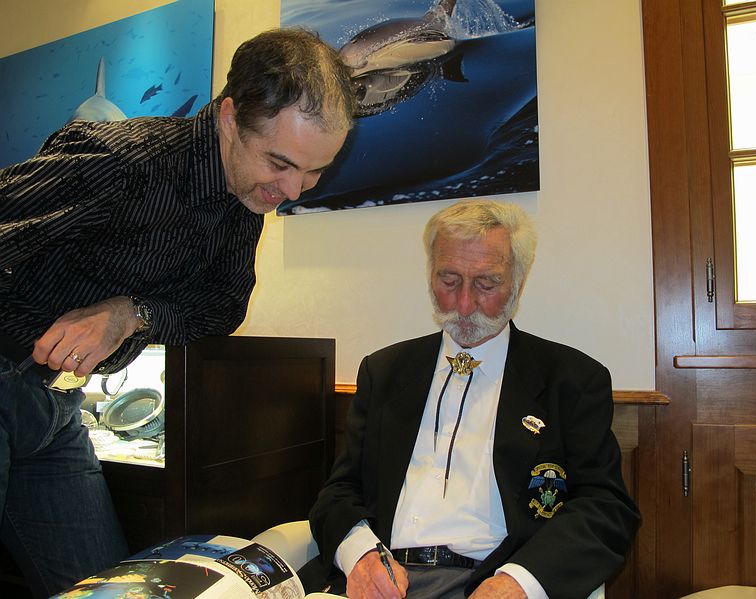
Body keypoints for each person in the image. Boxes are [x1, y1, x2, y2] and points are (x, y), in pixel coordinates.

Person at [0, 27, 355, 597]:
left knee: (105, 588)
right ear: (229, 118)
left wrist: (129, 312)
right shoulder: (120, 161)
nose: (293, 190)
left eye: (315, 172)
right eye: (280, 163)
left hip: (54, 402)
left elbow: (223, 305)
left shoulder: (245, 198)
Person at [303, 200, 640, 599]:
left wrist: (520, 582)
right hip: (385, 579)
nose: (463, 305)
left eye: (486, 284)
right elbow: (340, 490)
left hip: (489, 580)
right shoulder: (385, 371)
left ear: (517, 280)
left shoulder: (572, 380)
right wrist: (359, 555)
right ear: (430, 273)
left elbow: (606, 508)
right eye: (449, 280)